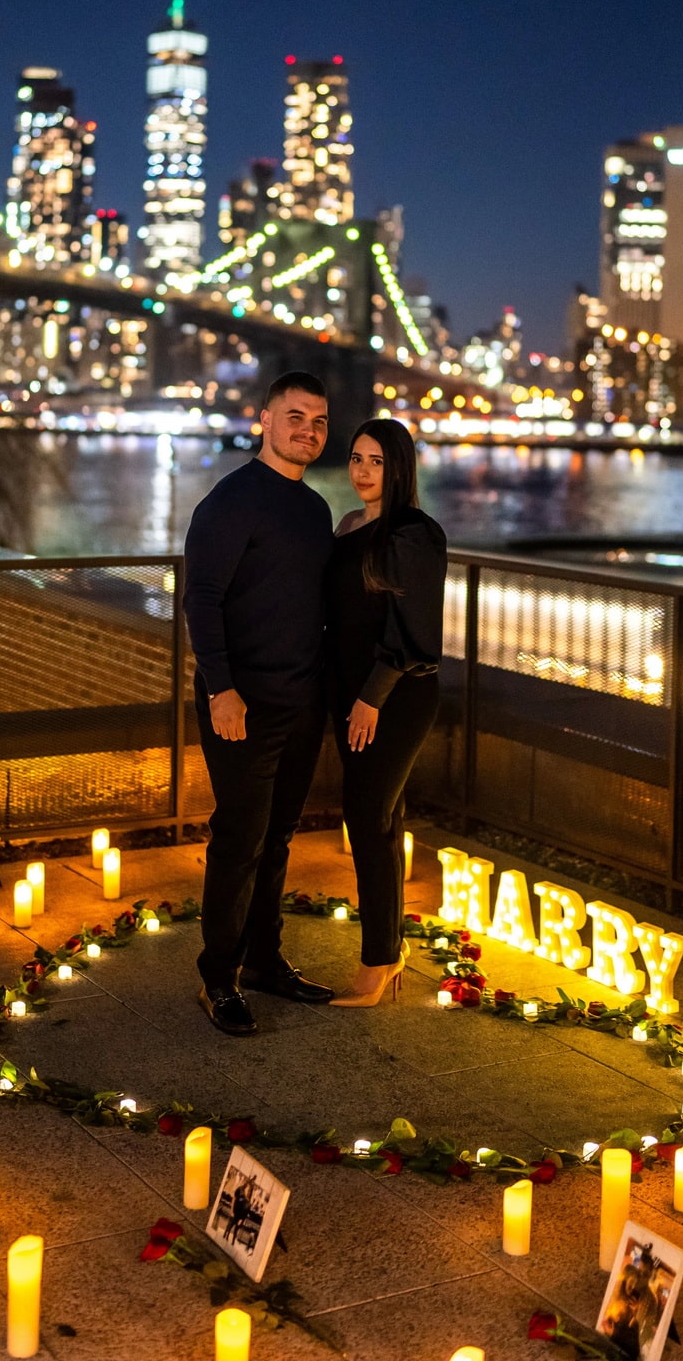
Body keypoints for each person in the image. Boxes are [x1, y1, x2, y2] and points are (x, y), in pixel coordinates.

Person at [183, 371, 335, 1036]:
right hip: (241, 702)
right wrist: (221, 689)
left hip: (302, 701)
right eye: (295, 417)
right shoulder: (230, 502)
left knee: (277, 837)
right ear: (264, 421)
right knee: (239, 839)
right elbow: (202, 600)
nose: (309, 430)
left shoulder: (314, 509)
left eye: (320, 422)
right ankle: (218, 976)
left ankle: (265, 961)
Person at [328, 417, 446, 1008]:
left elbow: (411, 630)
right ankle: (389, 945)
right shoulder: (349, 524)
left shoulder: (415, 534)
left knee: (368, 814)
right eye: (356, 458)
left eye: (376, 461)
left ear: (400, 467)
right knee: (381, 814)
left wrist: (371, 696)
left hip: (392, 695)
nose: (363, 471)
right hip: (347, 692)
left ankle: (379, 958)